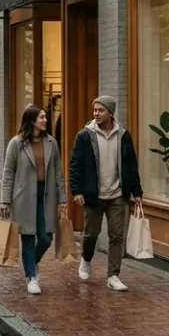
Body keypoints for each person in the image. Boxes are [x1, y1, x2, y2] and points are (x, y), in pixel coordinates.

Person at [68, 95, 144, 292]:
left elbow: (131, 166)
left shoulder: (123, 135)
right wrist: (76, 191)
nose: (96, 113)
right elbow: (75, 165)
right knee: (91, 234)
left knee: (116, 236)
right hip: (94, 195)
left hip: (117, 195)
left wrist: (136, 192)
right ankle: (86, 260)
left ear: (111, 113)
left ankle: (113, 275)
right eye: (95, 110)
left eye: (100, 110)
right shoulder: (85, 136)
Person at [0, 104, 67, 295]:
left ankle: (32, 261)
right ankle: (31, 277)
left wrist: (62, 198)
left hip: (46, 195)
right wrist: (5, 200)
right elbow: (8, 173)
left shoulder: (51, 143)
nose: (46, 120)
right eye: (42, 117)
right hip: (24, 196)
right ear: (31, 121)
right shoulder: (16, 143)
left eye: (45, 117)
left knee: (46, 237)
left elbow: (58, 173)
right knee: (28, 237)